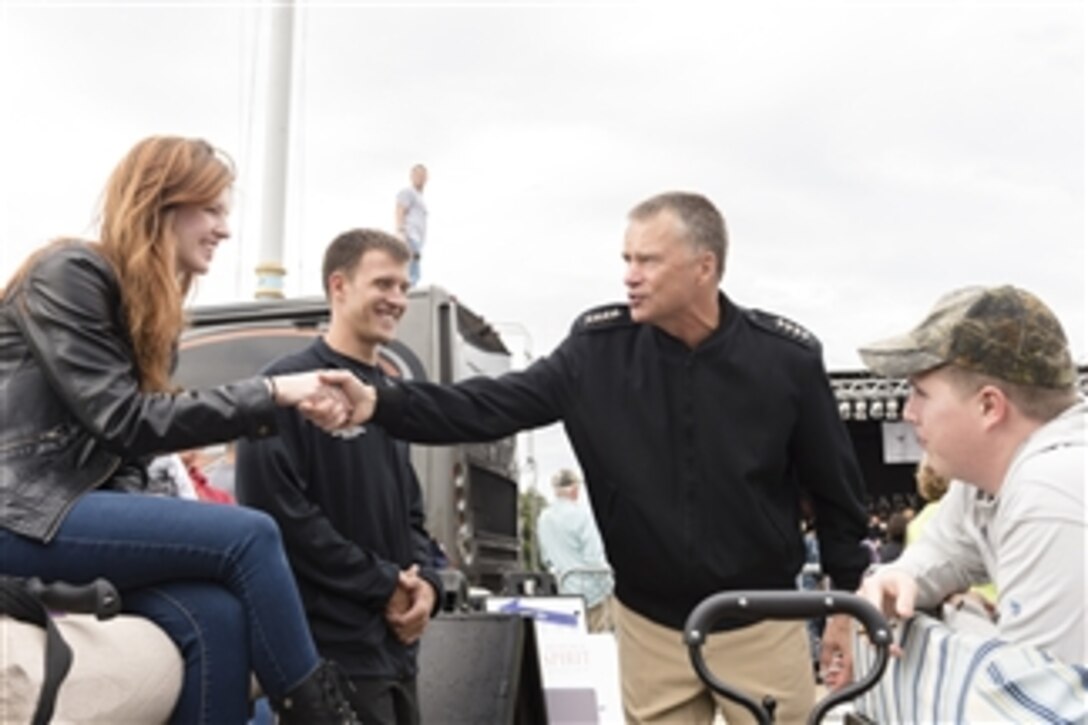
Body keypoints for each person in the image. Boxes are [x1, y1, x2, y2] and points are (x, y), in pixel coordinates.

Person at [353, 191, 870, 723]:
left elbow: (837, 496)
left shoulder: (785, 362)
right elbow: (485, 406)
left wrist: (844, 609)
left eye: (647, 260)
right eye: (627, 259)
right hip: (650, 628)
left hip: (763, 624)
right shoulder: (594, 353)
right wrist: (377, 401)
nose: (630, 275)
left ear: (704, 266)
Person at [0, 136, 369, 725]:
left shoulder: (151, 315)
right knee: (251, 535)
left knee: (216, 617)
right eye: (213, 209)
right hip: (20, 511)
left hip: (69, 513)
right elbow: (124, 423)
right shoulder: (68, 273)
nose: (224, 229)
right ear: (160, 203)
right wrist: (271, 392)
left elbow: (125, 462)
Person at [235, 228, 442, 725]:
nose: (396, 299)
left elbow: (410, 516)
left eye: (402, 287)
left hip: (396, 652)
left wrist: (427, 585)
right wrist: (383, 584)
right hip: (325, 656)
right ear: (339, 286)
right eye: (382, 284)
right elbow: (281, 521)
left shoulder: (387, 399)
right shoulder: (287, 388)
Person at [854, 285, 1086, 667]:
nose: (908, 413)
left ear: (989, 406)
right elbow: (943, 553)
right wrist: (901, 577)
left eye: (921, 393)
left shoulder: (1053, 490)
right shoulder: (985, 482)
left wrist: (966, 623)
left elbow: (1033, 700)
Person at [536, 468, 615, 633]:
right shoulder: (583, 516)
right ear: (574, 489)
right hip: (591, 593)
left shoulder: (544, 518)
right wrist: (611, 585)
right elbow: (594, 558)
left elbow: (546, 558)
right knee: (601, 640)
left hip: (563, 591)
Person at [394, 164, 428, 287]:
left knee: (415, 268)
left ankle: (410, 287)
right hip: (409, 235)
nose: (420, 178)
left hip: (417, 239)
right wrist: (400, 231)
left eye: (423, 175)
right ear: (412, 176)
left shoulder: (420, 198)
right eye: (417, 175)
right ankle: (407, 289)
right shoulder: (408, 192)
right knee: (410, 269)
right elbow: (400, 209)